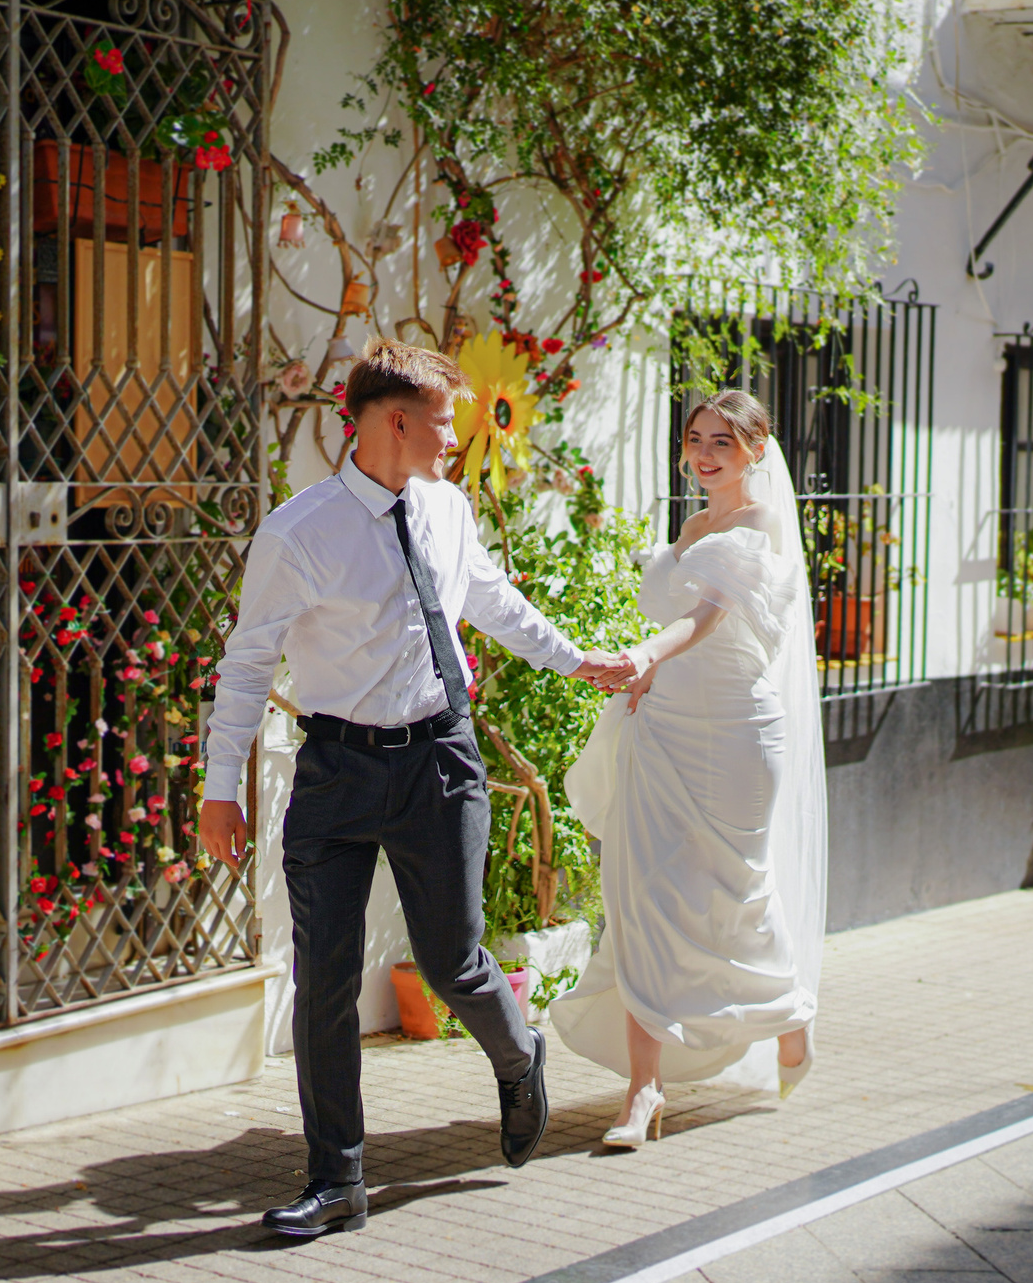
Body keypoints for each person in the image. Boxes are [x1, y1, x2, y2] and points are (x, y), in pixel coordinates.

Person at [199, 343, 635, 1237]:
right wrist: (220, 790)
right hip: (335, 771)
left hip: (439, 757)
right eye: (445, 418)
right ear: (393, 420)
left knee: (452, 959)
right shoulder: (297, 534)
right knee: (320, 976)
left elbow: (489, 599)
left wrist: (574, 658)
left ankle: (520, 1057)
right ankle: (338, 1178)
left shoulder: (446, 507)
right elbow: (246, 667)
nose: (456, 434)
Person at [553, 390, 823, 1150]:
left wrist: (645, 654)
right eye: (696, 439)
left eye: (723, 444)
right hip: (664, 728)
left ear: (756, 453)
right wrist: (647, 672)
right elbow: (679, 618)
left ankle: (789, 1011)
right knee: (641, 894)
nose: (704, 455)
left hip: (739, 735)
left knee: (735, 892)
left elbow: (706, 616)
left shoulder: (764, 527)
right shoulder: (695, 524)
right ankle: (644, 1089)